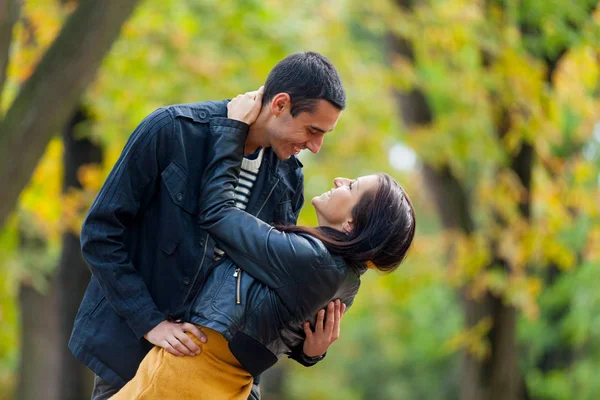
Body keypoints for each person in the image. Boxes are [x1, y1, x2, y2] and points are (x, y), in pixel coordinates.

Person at [69, 52, 347, 400]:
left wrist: (309, 349)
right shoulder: (172, 129)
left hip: (221, 379)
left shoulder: (289, 182)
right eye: (312, 130)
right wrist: (150, 323)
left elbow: (269, 291)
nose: (316, 147)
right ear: (280, 104)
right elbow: (100, 234)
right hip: (131, 359)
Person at [111, 88, 416, 399]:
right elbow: (270, 325)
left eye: (351, 187)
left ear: (352, 224)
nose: (339, 180)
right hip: (222, 383)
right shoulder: (345, 280)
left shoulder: (313, 260)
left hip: (189, 372)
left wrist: (232, 130)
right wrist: (310, 354)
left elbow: (217, 213)